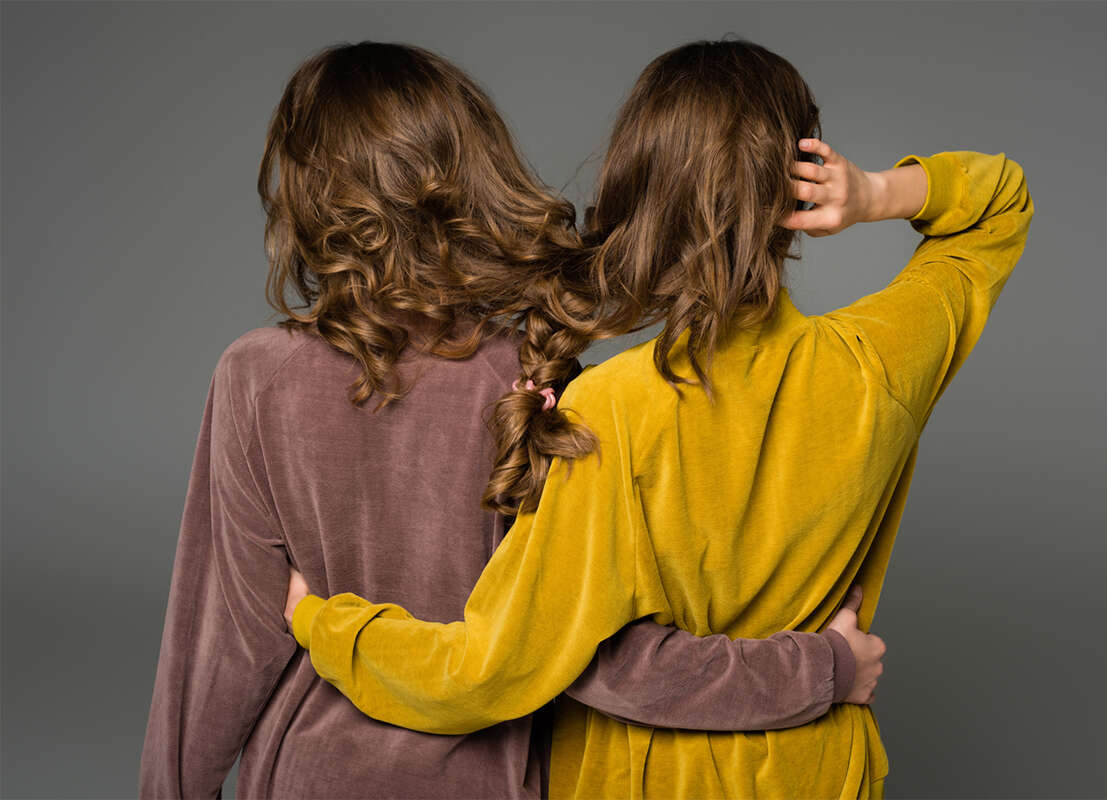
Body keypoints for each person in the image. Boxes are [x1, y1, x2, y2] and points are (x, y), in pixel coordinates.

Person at [285, 40, 1034, 799]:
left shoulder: (610, 412)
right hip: (821, 773)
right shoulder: (877, 366)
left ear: (637, 185)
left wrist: (325, 624)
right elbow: (1000, 202)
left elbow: (487, 674)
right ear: (798, 184)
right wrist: (872, 193)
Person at [139, 42, 885, 800]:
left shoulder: (258, 377)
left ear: (305, 192)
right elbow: (606, 664)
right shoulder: (535, 378)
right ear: (474, 175)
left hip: (310, 777)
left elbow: (221, 652)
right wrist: (820, 669)